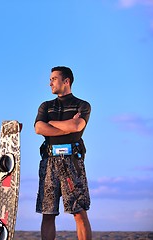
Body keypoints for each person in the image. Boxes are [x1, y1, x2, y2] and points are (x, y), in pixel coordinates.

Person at [34, 66, 92, 240]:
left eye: (54, 79)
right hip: (49, 162)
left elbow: (77, 126)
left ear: (66, 81)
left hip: (72, 162)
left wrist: (51, 124)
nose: (50, 82)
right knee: (47, 212)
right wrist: (67, 129)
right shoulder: (46, 106)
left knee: (79, 211)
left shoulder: (82, 105)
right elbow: (38, 128)